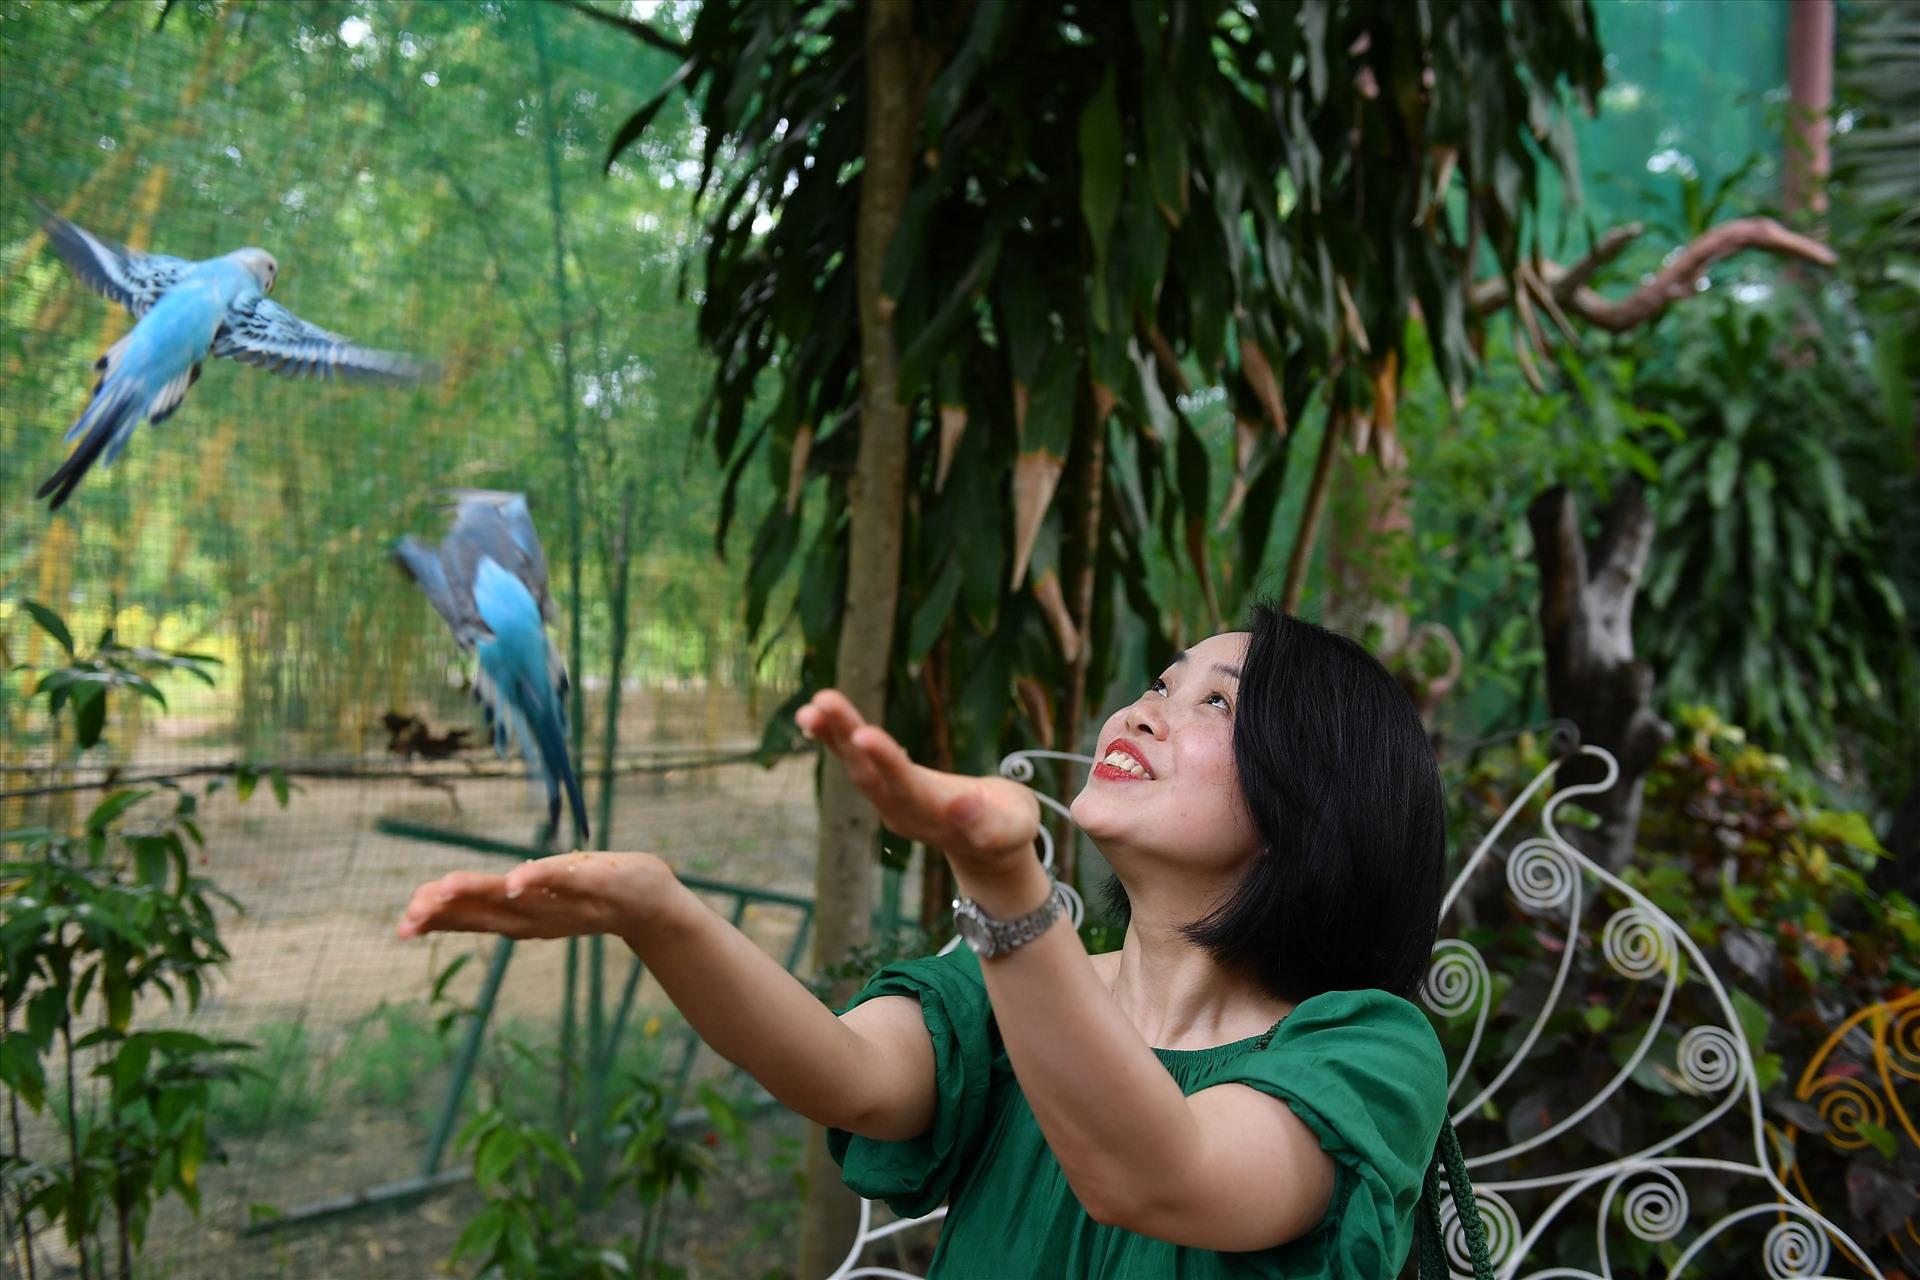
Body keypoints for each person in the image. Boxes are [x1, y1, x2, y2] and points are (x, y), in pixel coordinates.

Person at [397, 607, 1490, 1278]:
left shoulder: (1364, 1058)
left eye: (1216, 701)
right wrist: (660, 910)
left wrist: (1001, 880)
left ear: (1319, 801)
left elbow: (1158, 1172)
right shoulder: (1013, 991)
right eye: (1159, 681)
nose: (1146, 709)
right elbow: (847, 1070)